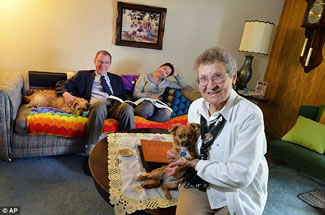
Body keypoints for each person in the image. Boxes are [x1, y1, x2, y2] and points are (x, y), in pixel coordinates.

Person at [167, 47, 269, 215]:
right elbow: (190, 147)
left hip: (234, 192)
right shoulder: (195, 108)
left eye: (218, 76)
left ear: (233, 77)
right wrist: (181, 157)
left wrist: (195, 163)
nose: (211, 85)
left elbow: (240, 176)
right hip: (199, 179)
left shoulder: (250, 115)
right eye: (203, 79)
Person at [56, 50, 135, 175]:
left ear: (110, 64)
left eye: (106, 63)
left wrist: (121, 102)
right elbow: (61, 84)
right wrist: (65, 94)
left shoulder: (116, 79)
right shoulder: (82, 75)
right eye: (100, 62)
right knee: (99, 106)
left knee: (127, 108)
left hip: (113, 107)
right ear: (95, 61)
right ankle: (90, 154)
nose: (103, 65)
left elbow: (123, 97)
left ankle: (127, 152)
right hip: (95, 107)